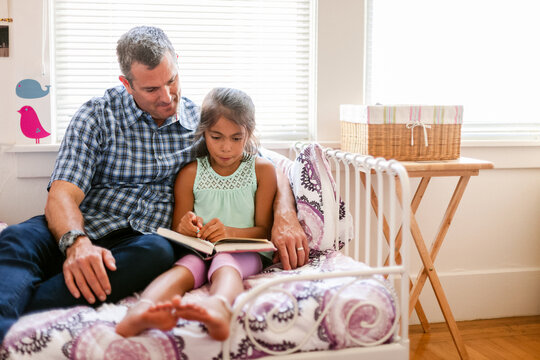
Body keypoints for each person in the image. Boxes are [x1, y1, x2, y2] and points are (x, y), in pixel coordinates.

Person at [0, 26, 308, 344]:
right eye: (151, 89)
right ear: (127, 84)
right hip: (81, 226)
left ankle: (21, 306)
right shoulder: (96, 116)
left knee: (157, 252)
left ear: (177, 61)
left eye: (171, 80)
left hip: (138, 244)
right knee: (17, 238)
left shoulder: (202, 123)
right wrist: (77, 244)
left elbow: (265, 164)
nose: (166, 96)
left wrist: (286, 213)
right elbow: (63, 193)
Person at [116, 87, 276, 340]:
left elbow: (264, 230)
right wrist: (187, 227)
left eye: (236, 138)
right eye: (216, 137)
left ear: (249, 133)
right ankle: (140, 312)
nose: (226, 148)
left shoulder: (262, 170)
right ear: (204, 133)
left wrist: (228, 233)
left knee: (225, 262)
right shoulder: (190, 173)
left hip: (246, 251)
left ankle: (218, 308)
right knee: (184, 268)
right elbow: (180, 228)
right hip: (200, 251)